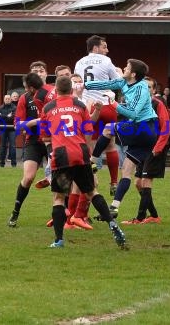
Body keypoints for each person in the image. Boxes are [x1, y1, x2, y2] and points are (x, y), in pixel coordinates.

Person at [39, 75, 126, 248]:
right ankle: (111, 223)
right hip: (80, 153)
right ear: (71, 90)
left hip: (62, 156)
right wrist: (97, 112)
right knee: (91, 191)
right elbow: (88, 129)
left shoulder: (48, 108)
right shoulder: (79, 104)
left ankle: (59, 240)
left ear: (56, 90)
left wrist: (52, 152)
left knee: (58, 197)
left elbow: (45, 137)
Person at [82, 58, 158, 194]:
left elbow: (134, 114)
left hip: (144, 129)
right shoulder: (123, 81)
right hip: (139, 128)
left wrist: (114, 103)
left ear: (133, 74)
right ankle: (115, 207)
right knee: (128, 171)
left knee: (108, 129)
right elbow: (105, 84)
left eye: (127, 68)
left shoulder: (141, 88)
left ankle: (93, 161)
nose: (124, 69)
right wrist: (85, 85)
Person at [74, 35, 121, 195]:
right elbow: (118, 82)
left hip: (88, 108)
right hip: (106, 105)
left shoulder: (79, 62)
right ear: (96, 48)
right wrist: (119, 73)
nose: (107, 50)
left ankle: (92, 179)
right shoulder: (106, 61)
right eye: (104, 47)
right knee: (111, 146)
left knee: (90, 148)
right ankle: (114, 181)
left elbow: (77, 86)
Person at [121, 76, 170, 224]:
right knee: (138, 183)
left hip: (155, 148)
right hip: (143, 148)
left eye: (149, 87)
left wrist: (158, 147)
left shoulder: (157, 104)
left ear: (154, 90)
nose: (145, 89)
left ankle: (140, 218)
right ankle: (154, 216)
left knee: (146, 181)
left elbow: (166, 127)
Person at [6, 72, 53, 227]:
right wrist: (37, 121)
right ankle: (15, 213)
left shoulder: (51, 93)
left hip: (52, 140)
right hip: (33, 141)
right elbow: (18, 125)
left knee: (58, 179)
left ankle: (61, 215)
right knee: (28, 178)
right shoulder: (25, 98)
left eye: (41, 70)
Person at [0, 94, 17, 167]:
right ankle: (1, 163)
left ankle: (14, 164)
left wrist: (4, 116)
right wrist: (7, 116)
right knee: (2, 146)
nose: (7, 100)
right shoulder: (0, 108)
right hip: (3, 129)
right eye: (6, 99)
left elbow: (13, 117)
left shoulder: (14, 107)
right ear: (4, 99)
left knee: (13, 146)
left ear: (11, 100)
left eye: (8, 99)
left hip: (12, 129)